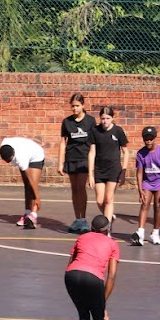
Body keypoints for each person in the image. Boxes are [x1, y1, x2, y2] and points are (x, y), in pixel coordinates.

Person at [64, 215, 122, 320]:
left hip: (71, 276)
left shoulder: (81, 238)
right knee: (100, 319)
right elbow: (112, 276)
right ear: (107, 230)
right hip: (93, 279)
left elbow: (70, 262)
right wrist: (103, 303)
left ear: (91, 228)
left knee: (83, 315)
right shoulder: (112, 244)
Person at [58, 93, 97, 234]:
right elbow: (63, 143)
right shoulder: (67, 122)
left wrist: (94, 161)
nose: (74, 108)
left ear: (83, 106)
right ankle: (77, 219)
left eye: (77, 106)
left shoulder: (90, 121)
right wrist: (60, 163)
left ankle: (84, 218)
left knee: (81, 187)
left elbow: (94, 142)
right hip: (71, 158)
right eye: (72, 106)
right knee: (74, 189)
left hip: (84, 158)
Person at [88, 106, 129, 222]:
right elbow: (92, 153)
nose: (105, 121)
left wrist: (123, 171)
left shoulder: (118, 131)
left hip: (113, 169)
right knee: (100, 201)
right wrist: (90, 174)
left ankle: (107, 228)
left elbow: (126, 152)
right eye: (103, 118)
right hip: (99, 170)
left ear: (112, 118)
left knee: (109, 199)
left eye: (107, 118)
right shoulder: (95, 131)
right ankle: (109, 216)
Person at [132, 126, 160, 246]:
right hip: (147, 182)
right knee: (145, 204)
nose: (148, 141)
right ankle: (140, 232)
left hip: (159, 182)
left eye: (151, 138)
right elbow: (139, 172)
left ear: (155, 138)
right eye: (146, 139)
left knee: (158, 206)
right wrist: (140, 189)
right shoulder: (141, 154)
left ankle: (155, 233)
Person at [0, 137, 45, 230]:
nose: (9, 162)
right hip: (26, 151)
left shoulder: (20, 158)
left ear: (13, 154)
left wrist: (38, 198)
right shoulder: (4, 146)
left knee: (32, 184)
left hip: (36, 155)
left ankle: (33, 215)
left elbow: (31, 181)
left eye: (10, 159)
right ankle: (27, 213)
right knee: (27, 186)